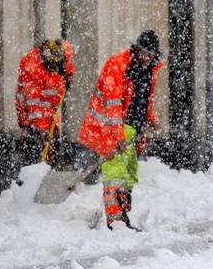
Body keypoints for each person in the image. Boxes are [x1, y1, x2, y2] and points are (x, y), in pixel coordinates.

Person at [78, 31, 162, 230]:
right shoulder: (118, 65)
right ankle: (114, 223)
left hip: (132, 129)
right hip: (109, 129)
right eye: (143, 52)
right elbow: (112, 105)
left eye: (150, 54)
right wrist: (118, 136)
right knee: (115, 173)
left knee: (129, 174)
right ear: (136, 49)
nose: (146, 57)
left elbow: (144, 98)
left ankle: (122, 215)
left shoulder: (150, 69)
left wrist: (150, 119)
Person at [16, 38, 74, 164]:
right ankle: (34, 167)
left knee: (52, 144)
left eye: (56, 64)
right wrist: (42, 130)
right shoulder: (31, 66)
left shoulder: (62, 52)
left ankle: (49, 166)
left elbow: (68, 57)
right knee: (36, 146)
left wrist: (68, 74)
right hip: (30, 116)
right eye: (52, 64)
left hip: (50, 111)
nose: (54, 67)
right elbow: (33, 103)